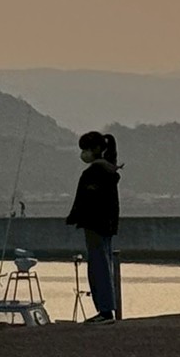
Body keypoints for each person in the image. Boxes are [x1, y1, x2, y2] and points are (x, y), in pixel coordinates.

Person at [65, 130, 122, 322]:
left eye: (86, 149)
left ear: (96, 149)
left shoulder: (95, 172)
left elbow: (85, 200)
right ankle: (106, 310)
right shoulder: (109, 170)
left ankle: (105, 311)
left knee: (98, 267)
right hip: (106, 225)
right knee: (104, 265)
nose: (84, 154)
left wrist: (74, 217)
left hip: (95, 225)